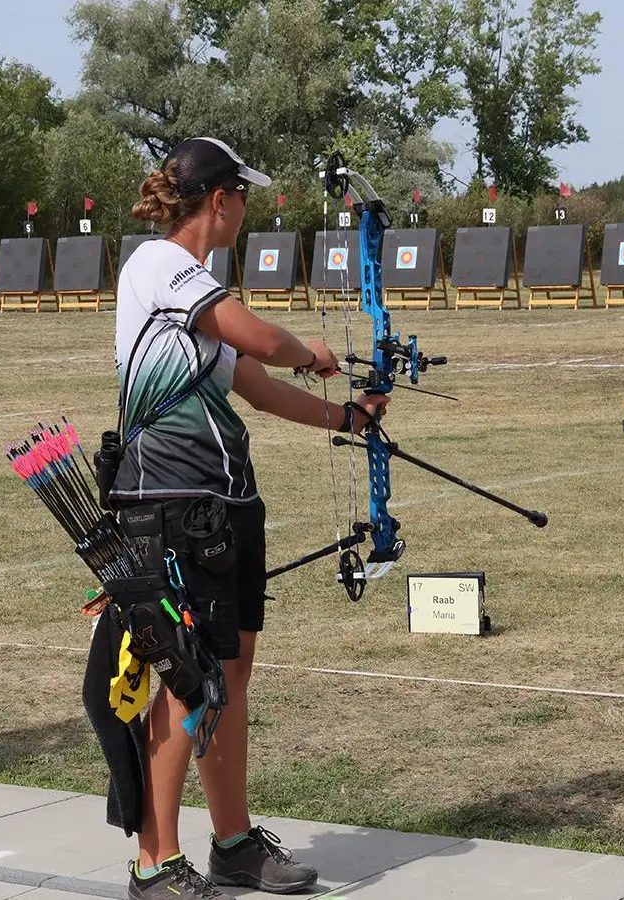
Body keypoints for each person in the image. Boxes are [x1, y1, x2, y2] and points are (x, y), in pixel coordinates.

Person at [108, 137, 390, 899]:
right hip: (168, 500)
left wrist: (347, 418)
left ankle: (232, 844)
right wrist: (313, 351)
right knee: (182, 679)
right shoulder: (161, 264)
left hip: (225, 504)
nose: (247, 208)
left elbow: (259, 386)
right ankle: (154, 865)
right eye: (243, 196)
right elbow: (266, 341)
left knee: (228, 675)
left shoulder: (194, 300)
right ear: (221, 199)